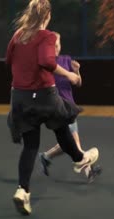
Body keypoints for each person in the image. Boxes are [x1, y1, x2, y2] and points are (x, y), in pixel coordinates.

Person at [6, 0, 99, 215]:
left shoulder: (18, 34)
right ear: (46, 15)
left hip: (19, 97)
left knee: (30, 147)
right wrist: (69, 75)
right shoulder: (46, 36)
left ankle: (22, 190)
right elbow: (47, 61)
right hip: (44, 95)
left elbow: (8, 60)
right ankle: (80, 159)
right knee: (62, 127)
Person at [39, 32, 89, 176]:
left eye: (58, 45)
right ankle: (88, 170)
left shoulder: (66, 60)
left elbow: (78, 83)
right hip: (58, 109)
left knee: (67, 143)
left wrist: (77, 71)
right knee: (74, 142)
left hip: (70, 107)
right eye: (53, 45)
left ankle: (46, 156)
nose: (56, 47)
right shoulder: (46, 64)